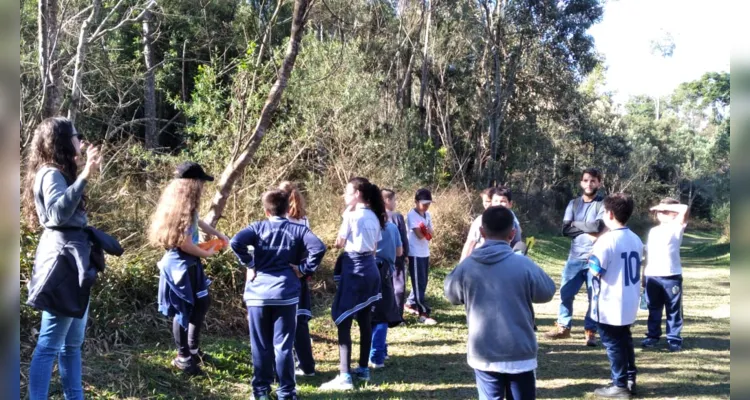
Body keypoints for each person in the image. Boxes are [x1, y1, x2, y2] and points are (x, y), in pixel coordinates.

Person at [23, 117, 110, 400]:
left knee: (72, 345)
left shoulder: (60, 172)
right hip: (62, 264)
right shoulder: (50, 174)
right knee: (49, 345)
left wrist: (86, 171)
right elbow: (57, 215)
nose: (81, 141)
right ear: (61, 140)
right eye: (76, 135)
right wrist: (85, 175)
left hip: (73, 262)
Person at [445, 206, 556, 400]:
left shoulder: (466, 267)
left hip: (483, 351)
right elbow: (546, 292)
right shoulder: (523, 265)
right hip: (520, 351)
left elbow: (452, 295)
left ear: (481, 231)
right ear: (512, 234)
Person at [230, 190, 326, 400]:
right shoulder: (298, 229)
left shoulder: (257, 227)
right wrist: (303, 269)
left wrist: (250, 263)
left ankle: (261, 391)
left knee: (260, 345)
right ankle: (286, 393)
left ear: (266, 211)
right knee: (282, 345)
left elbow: (235, 242)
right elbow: (319, 247)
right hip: (285, 294)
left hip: (257, 294)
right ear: (286, 208)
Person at [150, 161, 230, 376]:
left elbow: (198, 221)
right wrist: (206, 253)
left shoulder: (186, 205)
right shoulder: (182, 207)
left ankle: (193, 349)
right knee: (183, 309)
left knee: (201, 303)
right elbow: (185, 243)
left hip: (189, 261)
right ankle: (183, 356)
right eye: (202, 182)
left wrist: (217, 233)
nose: (204, 186)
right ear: (193, 183)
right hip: (180, 263)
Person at [320, 177, 386, 391]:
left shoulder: (351, 216)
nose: (344, 196)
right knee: (365, 319)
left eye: (347, 192)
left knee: (344, 318)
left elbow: (339, 243)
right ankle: (363, 369)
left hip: (355, 269)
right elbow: (374, 247)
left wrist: (344, 219)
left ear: (357, 194)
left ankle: (344, 376)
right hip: (371, 268)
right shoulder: (376, 216)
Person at [588, 193, 643, 398]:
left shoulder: (606, 240)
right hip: (629, 299)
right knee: (625, 339)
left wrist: (590, 254)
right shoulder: (635, 238)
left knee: (613, 343)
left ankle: (619, 385)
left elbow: (596, 269)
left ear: (609, 214)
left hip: (609, 301)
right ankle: (630, 378)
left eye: (603, 211)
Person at [546, 168, 606, 346]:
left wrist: (576, 224)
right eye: (586, 180)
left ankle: (591, 332)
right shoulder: (573, 204)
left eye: (593, 181)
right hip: (574, 258)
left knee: (594, 296)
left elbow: (598, 226)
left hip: (595, 258)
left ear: (599, 183)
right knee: (565, 294)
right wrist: (586, 226)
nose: (589, 184)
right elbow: (565, 229)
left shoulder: (603, 204)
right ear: (581, 183)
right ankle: (563, 327)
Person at [278, 181, 317, 376]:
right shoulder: (304, 220)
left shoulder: (280, 220)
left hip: (284, 274)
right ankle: (307, 365)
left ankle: (289, 365)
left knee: (285, 321)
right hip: (299, 274)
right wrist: (304, 269)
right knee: (300, 320)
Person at [641, 198, 689, 352]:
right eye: (659, 211)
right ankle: (652, 336)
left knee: (673, 309)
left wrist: (663, 206)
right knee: (653, 308)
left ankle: (674, 338)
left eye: (666, 211)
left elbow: (685, 207)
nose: (661, 213)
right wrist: (644, 275)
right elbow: (648, 254)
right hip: (652, 275)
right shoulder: (653, 231)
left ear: (674, 213)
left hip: (671, 276)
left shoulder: (677, 227)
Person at [370, 217, 403, 368]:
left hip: (368, 269)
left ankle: (377, 354)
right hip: (385, 272)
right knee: (382, 314)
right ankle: (380, 353)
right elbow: (399, 251)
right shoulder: (392, 228)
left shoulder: (368, 227)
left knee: (371, 314)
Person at [405, 188, 437, 325]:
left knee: (423, 281)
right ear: (416, 202)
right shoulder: (412, 215)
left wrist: (426, 230)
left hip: (424, 252)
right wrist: (425, 230)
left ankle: (410, 303)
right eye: (424, 203)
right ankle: (423, 311)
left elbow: (431, 233)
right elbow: (419, 234)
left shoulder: (427, 215)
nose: (426, 206)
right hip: (415, 252)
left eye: (428, 203)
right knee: (418, 282)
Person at [381, 188, 409, 323]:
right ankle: (397, 316)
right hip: (397, 256)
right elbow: (403, 237)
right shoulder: (397, 217)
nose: (395, 203)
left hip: (380, 258)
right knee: (398, 285)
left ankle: (384, 315)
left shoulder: (376, 216)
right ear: (387, 200)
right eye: (394, 200)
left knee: (385, 286)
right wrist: (406, 254)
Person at [460, 187, 495, 261]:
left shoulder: (509, 218)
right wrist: (462, 263)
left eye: (488, 201)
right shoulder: (480, 220)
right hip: (480, 260)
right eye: (484, 201)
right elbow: (471, 243)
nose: (486, 204)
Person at [491, 186, 526, 255]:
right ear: (491, 202)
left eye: (503, 201)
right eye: (496, 201)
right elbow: (470, 243)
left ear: (510, 204)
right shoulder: (481, 220)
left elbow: (517, 245)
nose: (498, 204)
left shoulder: (514, 224)